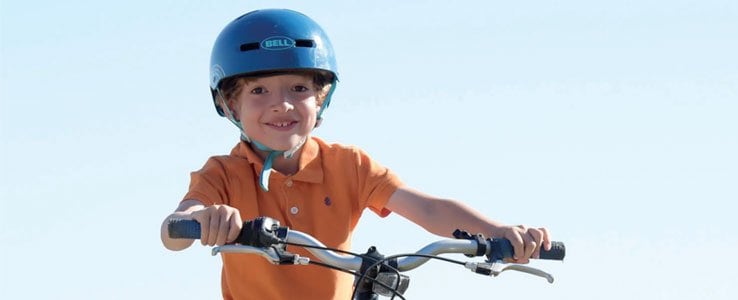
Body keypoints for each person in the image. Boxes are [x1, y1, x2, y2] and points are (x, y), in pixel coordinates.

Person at [160, 8, 553, 299]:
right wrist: (203, 218)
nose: (281, 105)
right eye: (258, 91)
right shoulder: (224, 174)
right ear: (230, 105)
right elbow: (174, 229)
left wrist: (499, 233)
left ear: (322, 99)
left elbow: (428, 209)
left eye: (298, 89)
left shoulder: (348, 165)